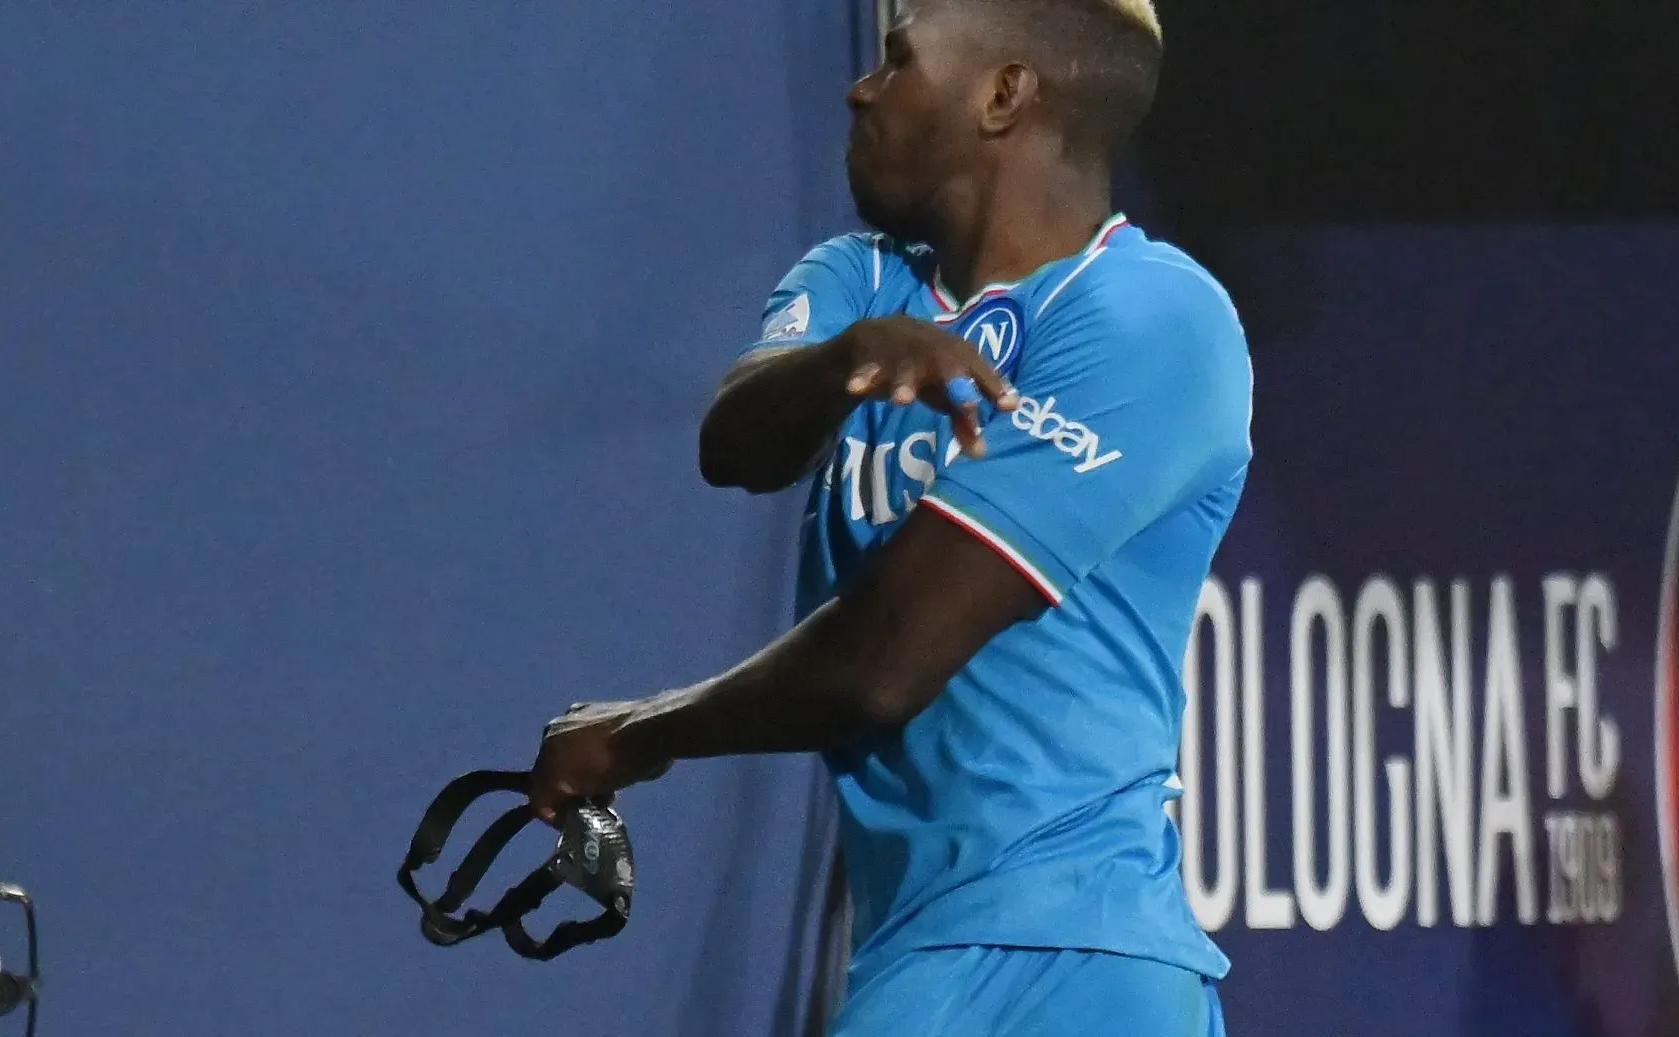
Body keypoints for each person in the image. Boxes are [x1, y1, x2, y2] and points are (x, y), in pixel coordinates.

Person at [527, 0, 1251, 1033]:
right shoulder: (855, 277)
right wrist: (847, 357)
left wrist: (642, 732)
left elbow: (884, 657)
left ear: (1002, 94)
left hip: (1063, 961)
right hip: (922, 945)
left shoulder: (1150, 318)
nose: (858, 88)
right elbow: (735, 445)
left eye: (896, 60)